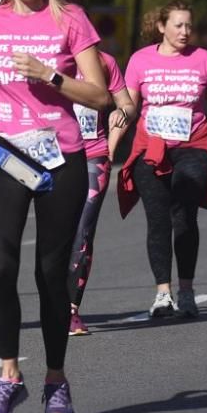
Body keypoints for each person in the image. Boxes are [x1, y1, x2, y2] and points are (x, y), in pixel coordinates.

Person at [0, 0, 111, 413]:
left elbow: (101, 96)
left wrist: (49, 75)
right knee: (0, 266)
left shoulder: (69, 20)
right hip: (6, 154)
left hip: (60, 158)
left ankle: (55, 380)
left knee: (51, 273)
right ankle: (9, 377)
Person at [118, 0, 207, 319]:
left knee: (184, 213)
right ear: (161, 26)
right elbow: (129, 106)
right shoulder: (140, 61)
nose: (185, 32)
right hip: (150, 148)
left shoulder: (203, 59)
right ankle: (163, 294)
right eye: (178, 25)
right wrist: (113, 135)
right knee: (158, 220)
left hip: (193, 144)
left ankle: (187, 290)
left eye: (189, 26)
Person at [66, 51, 136, 335]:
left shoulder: (104, 61)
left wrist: (121, 114)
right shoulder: (46, 54)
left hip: (93, 155)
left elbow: (127, 104)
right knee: (57, 232)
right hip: (51, 155)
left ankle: (71, 308)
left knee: (83, 231)